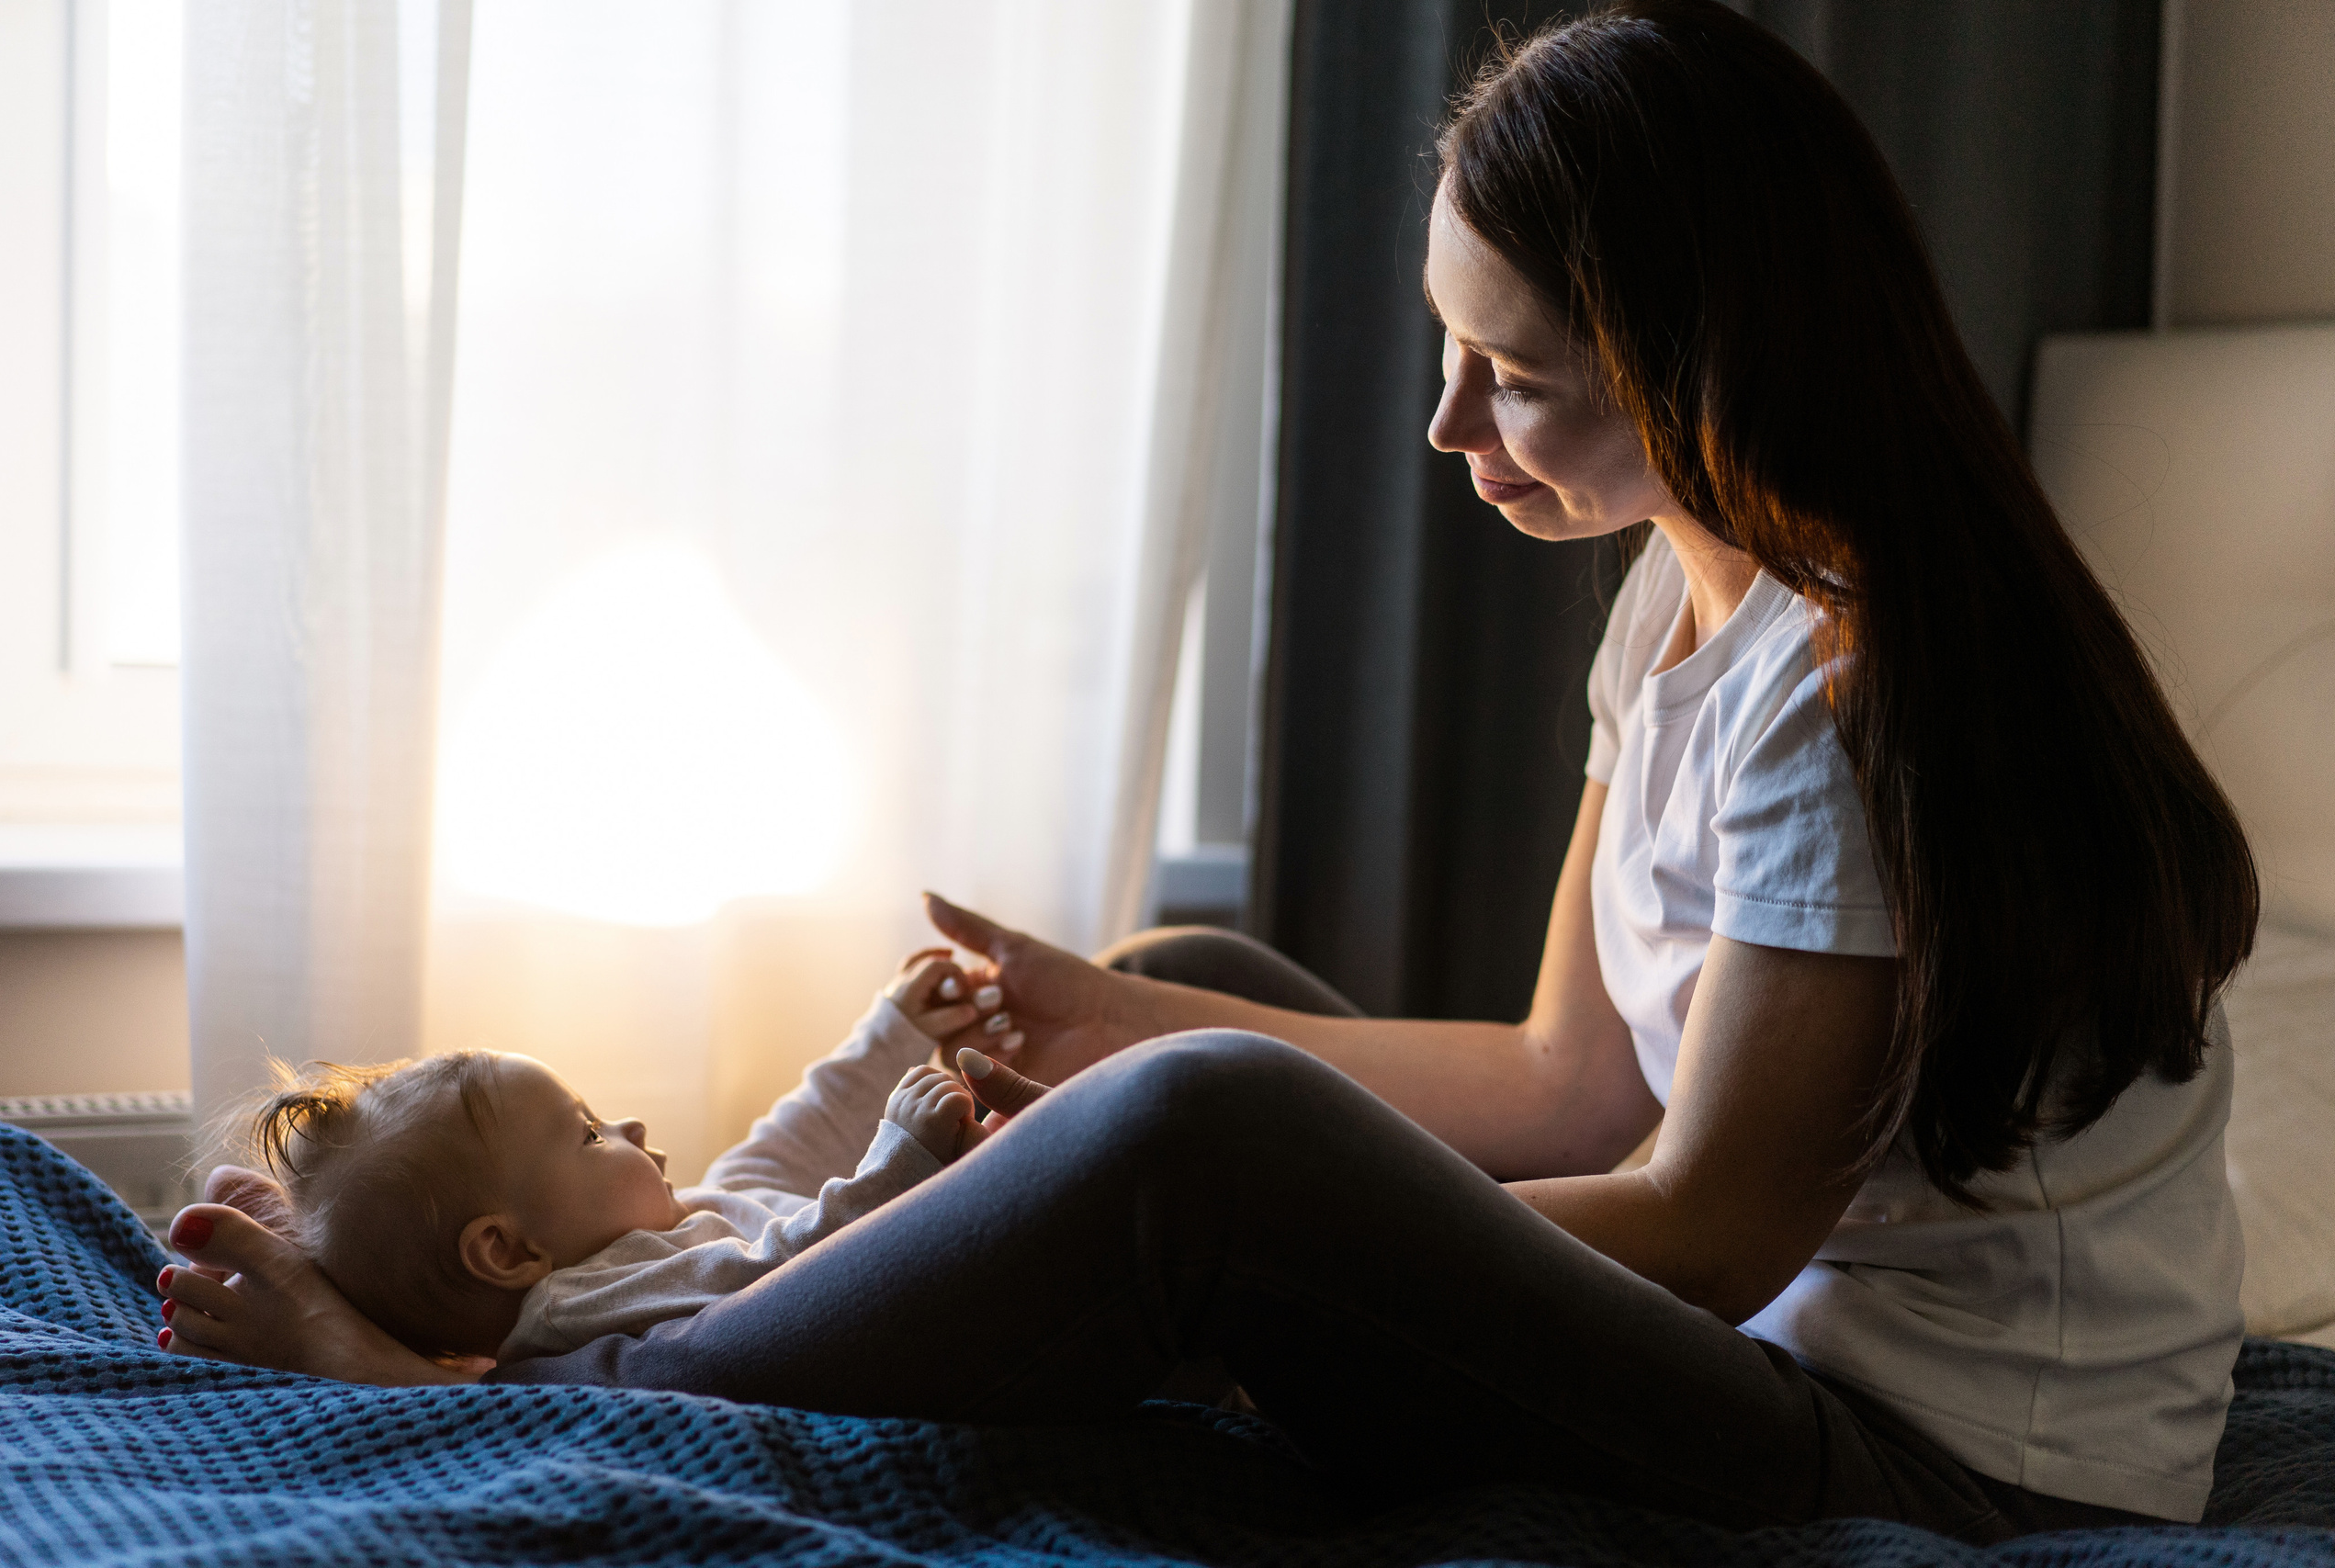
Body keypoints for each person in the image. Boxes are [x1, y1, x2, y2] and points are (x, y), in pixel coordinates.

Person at [157, 1, 2257, 1542]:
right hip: (1760, 1343)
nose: (1448, 430)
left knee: (1200, 1128)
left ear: (1708, 359)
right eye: (1446, 351)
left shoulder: (1845, 682)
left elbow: (1701, 1227)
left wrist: (1220, 1179)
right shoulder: (1681, 617)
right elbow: (1565, 1079)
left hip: (1926, 1452)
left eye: (1510, 376)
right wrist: (1116, 1015)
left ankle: (523, 1384)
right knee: (1174, 987)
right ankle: (1056, 1149)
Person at [158, 955, 1008, 1367]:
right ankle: (342, 1322)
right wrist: (897, 1167)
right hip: (943, 1314)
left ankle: (324, 1272)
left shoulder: (651, 1233)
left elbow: (785, 1145)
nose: (630, 1122)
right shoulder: (590, 1297)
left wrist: (891, 1032)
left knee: (753, 1168)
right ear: (509, 1250)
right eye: (592, 1134)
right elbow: (799, 1268)